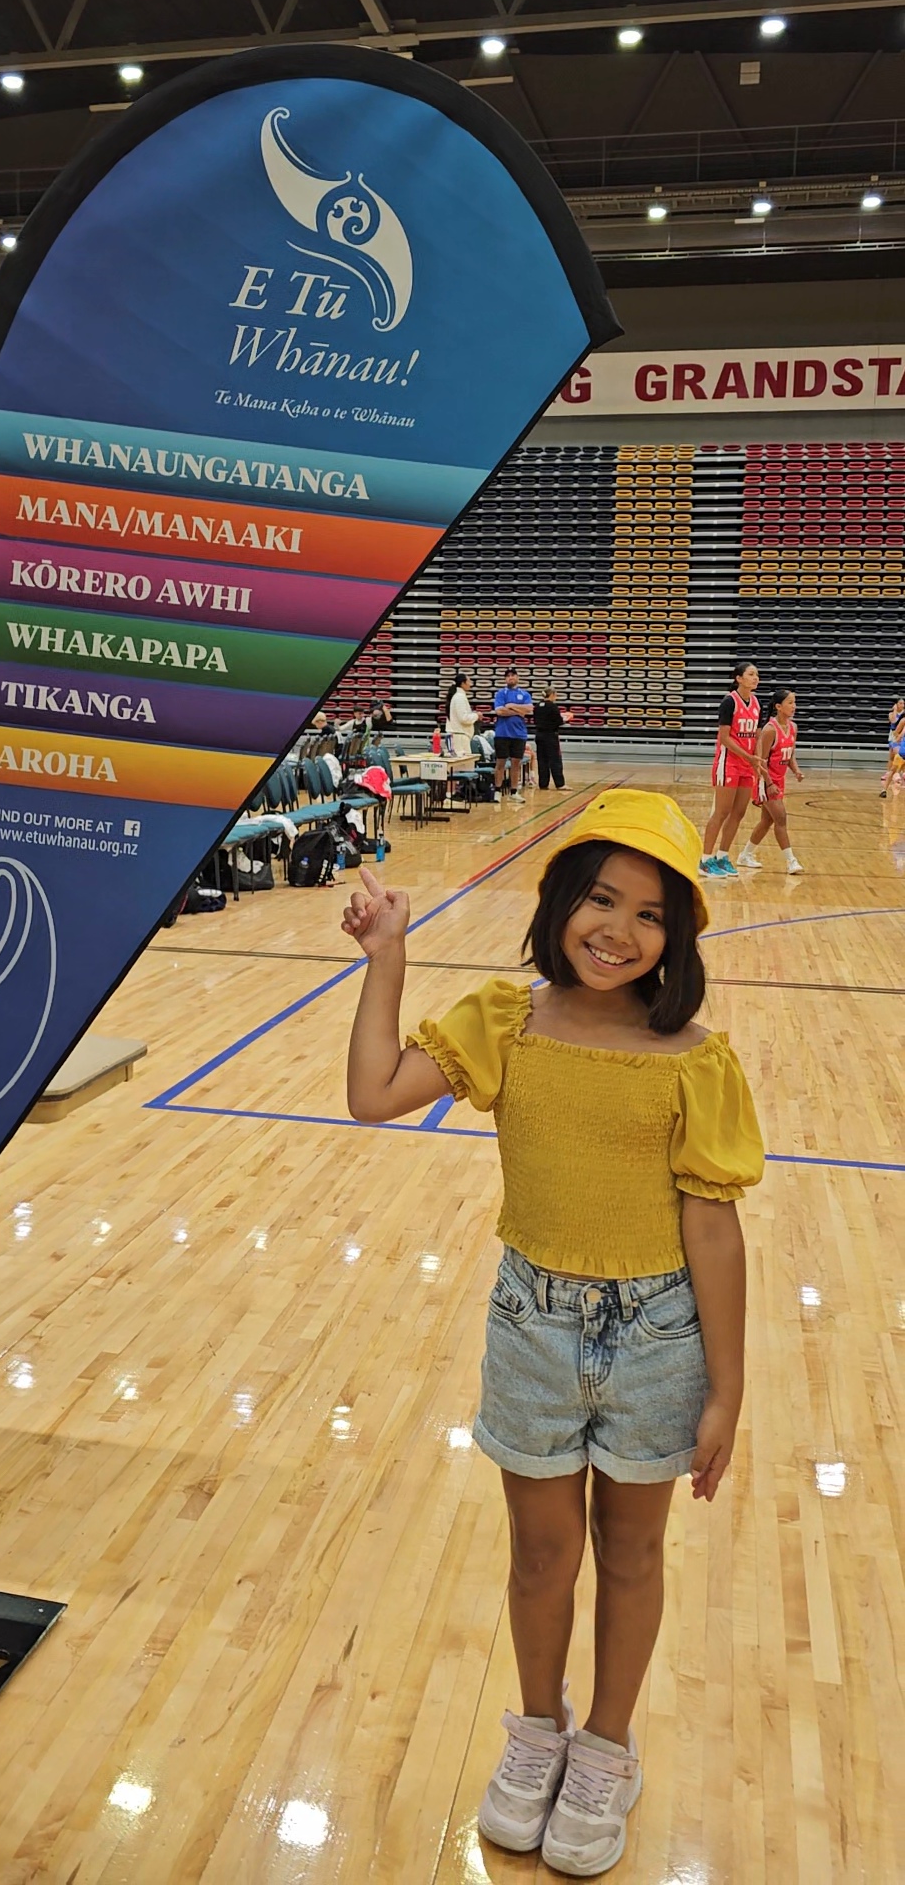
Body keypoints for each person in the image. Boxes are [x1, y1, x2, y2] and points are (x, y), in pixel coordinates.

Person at [343, 790, 762, 1875]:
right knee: (541, 1557)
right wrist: (388, 956)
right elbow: (376, 1093)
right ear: (560, 900)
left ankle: (608, 1748)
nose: (619, 930)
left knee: (632, 1553)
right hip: (532, 1324)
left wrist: (727, 1389)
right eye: (601, 899)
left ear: (681, 940)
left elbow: (713, 1231)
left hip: (660, 1333)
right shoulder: (505, 1021)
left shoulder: (696, 1059)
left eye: (653, 915)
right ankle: (537, 1733)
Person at [699, 661, 764, 880]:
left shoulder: (756, 703)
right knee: (722, 811)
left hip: (746, 764)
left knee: (739, 813)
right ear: (739, 678)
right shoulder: (729, 702)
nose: (755, 678)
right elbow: (724, 738)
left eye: (757, 675)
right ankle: (705, 859)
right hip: (728, 764)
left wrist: (756, 760)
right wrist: (748, 756)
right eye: (751, 674)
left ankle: (722, 856)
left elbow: (755, 735)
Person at [737, 688, 803, 874]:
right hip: (765, 780)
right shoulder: (769, 730)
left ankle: (745, 855)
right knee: (781, 818)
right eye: (790, 702)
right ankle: (791, 861)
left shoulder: (793, 727)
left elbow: (789, 755)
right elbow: (761, 761)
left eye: (794, 702)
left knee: (767, 821)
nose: (794, 706)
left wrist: (796, 771)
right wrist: (768, 783)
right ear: (778, 707)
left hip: (779, 780)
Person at [493, 666, 533, 804]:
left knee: (516, 763)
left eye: (513, 675)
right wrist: (518, 710)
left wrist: (510, 705)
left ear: (517, 677)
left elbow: (529, 709)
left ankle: (514, 792)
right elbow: (499, 711)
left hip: (519, 734)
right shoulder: (500, 693)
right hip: (502, 733)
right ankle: (497, 791)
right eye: (508, 675)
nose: (511, 677)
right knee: (500, 763)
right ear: (505, 679)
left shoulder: (525, 694)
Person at [533, 689, 567, 789]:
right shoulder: (552, 706)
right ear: (552, 695)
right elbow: (559, 721)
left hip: (539, 735)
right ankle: (560, 784)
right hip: (550, 736)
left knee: (542, 760)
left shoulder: (537, 706)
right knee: (555, 760)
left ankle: (543, 784)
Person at [445, 673, 479, 757]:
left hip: (459, 736)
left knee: (464, 766)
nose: (470, 684)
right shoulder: (459, 697)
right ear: (463, 683)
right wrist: (476, 715)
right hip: (459, 738)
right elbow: (463, 718)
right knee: (464, 767)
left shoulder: (458, 696)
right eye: (469, 681)